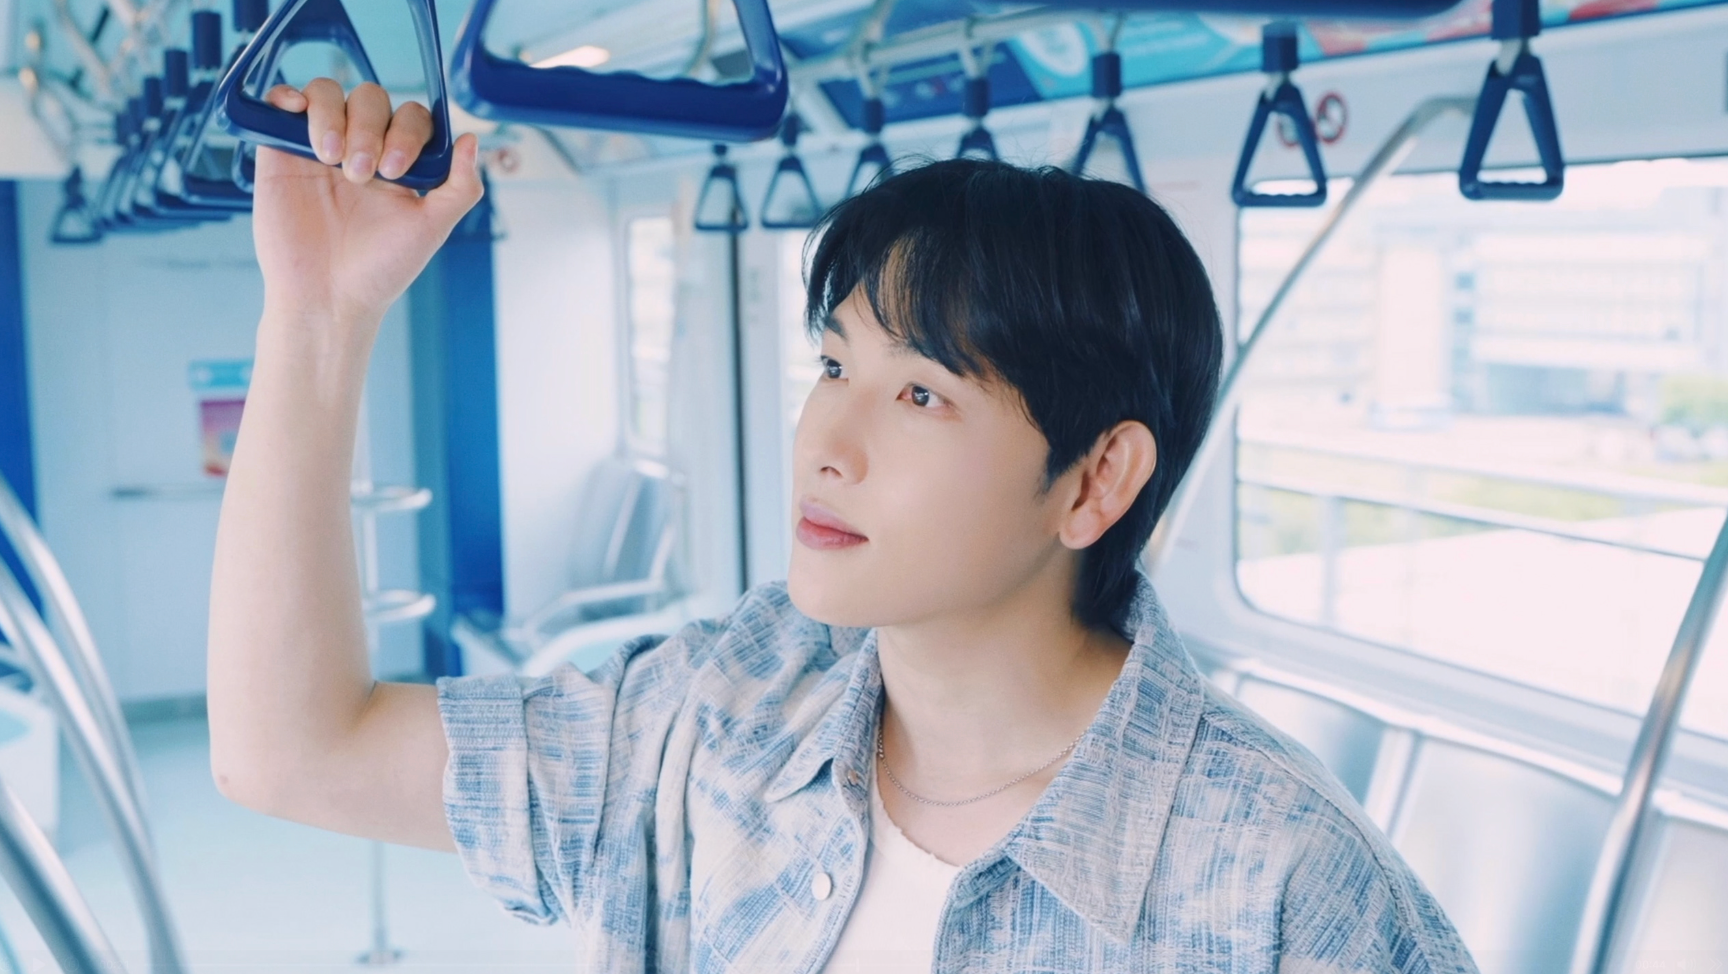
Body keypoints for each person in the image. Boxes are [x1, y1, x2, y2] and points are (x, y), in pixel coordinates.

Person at [207, 79, 1479, 974]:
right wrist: (319, 316)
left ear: (1096, 480)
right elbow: (293, 750)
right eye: (832, 364)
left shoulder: (1279, 882)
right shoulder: (721, 716)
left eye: (920, 393)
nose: (827, 439)